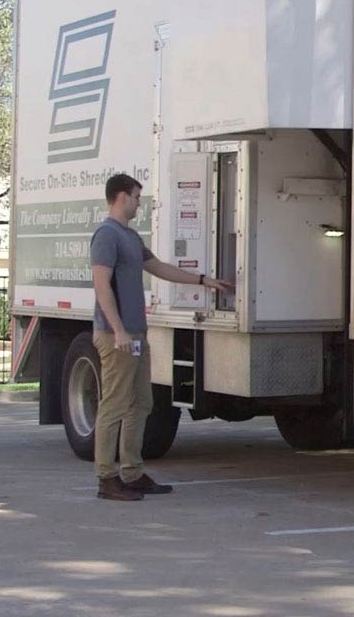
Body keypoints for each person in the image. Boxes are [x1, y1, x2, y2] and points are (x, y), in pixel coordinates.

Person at [90, 173, 233, 501]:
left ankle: (132, 471)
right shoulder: (106, 235)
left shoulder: (130, 236)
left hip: (136, 334)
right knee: (113, 405)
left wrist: (202, 280)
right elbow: (101, 285)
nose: (140, 203)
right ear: (122, 196)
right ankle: (106, 478)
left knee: (142, 403)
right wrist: (119, 330)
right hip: (116, 336)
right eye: (137, 197)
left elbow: (159, 268)